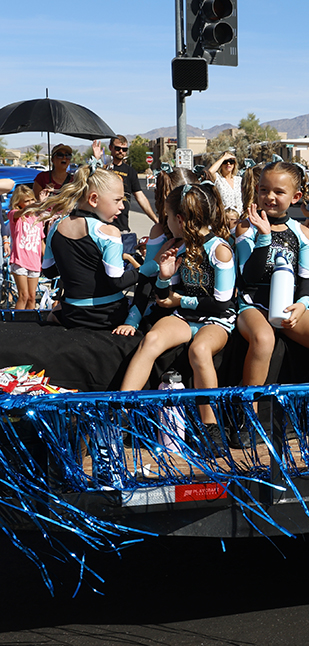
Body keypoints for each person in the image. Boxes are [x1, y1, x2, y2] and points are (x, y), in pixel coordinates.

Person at [119, 182, 236, 446]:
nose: (166, 222)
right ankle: (121, 413)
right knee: (151, 340)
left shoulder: (219, 249)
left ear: (180, 219)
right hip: (185, 317)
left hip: (216, 319)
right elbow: (163, 300)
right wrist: (164, 276)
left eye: (169, 217)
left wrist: (180, 299)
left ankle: (211, 427)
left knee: (200, 350)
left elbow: (221, 303)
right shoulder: (176, 245)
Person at [235, 161, 309, 435]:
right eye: (263, 190)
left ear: (295, 197)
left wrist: (301, 306)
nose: (269, 197)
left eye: (278, 192)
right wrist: (263, 237)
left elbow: (307, 279)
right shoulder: (246, 227)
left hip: (288, 304)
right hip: (253, 303)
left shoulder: (302, 232)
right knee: (264, 339)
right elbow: (248, 276)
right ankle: (249, 415)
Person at [39, 164, 140, 329]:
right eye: (117, 200)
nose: (122, 206)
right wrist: (145, 270)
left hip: (71, 314)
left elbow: (49, 271)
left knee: (52, 315)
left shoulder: (55, 226)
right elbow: (117, 282)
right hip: (107, 316)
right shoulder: (108, 232)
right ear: (93, 199)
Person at [115, 166, 201, 336]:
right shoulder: (160, 232)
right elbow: (145, 283)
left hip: (202, 314)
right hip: (165, 311)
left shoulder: (210, 237)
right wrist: (132, 321)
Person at [93, 136, 159, 233]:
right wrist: (96, 159)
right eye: (117, 148)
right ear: (110, 148)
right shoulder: (103, 168)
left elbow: (140, 197)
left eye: (124, 149)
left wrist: (155, 220)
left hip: (121, 227)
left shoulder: (130, 171)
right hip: (101, 225)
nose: (121, 151)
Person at [6, 186, 46, 309]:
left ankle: (30, 325)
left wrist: (48, 259)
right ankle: (17, 325)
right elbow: (21, 212)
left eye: (32, 200)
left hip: (34, 261)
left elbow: (41, 242)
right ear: (19, 202)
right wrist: (39, 203)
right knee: (23, 295)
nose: (30, 203)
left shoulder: (38, 219)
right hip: (20, 261)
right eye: (27, 201)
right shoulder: (14, 216)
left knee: (32, 297)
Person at [208, 151, 244, 219]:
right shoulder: (218, 179)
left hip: (239, 218)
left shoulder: (239, 180)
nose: (228, 164)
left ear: (234, 164)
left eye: (231, 161)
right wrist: (223, 157)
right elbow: (210, 171)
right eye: (225, 162)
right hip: (224, 218)